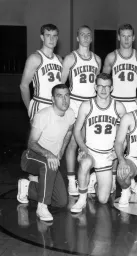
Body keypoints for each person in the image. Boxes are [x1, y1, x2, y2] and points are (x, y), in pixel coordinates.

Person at [17, 84, 75, 221]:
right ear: (52, 99)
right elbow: (31, 143)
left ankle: (27, 187)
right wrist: (49, 154)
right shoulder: (43, 115)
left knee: (61, 201)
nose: (64, 100)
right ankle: (42, 208)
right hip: (31, 157)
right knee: (48, 165)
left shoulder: (71, 113)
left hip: (52, 160)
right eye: (59, 96)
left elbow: (69, 132)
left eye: (67, 95)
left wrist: (60, 152)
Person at [70, 73, 126, 213]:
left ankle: (94, 183)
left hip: (106, 155)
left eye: (107, 87)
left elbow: (124, 135)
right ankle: (82, 199)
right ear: (95, 87)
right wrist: (83, 148)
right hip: (90, 150)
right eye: (100, 86)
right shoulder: (86, 105)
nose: (103, 90)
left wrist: (117, 153)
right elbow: (77, 131)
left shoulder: (118, 107)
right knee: (86, 163)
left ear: (111, 88)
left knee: (103, 199)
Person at [103, 23, 137, 193]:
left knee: (133, 142)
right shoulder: (111, 57)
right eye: (124, 36)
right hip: (117, 103)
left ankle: (132, 177)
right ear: (118, 37)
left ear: (134, 37)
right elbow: (105, 83)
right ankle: (114, 177)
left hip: (133, 103)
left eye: (130, 36)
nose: (127, 39)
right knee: (116, 141)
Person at [61, 25, 101, 196]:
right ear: (77, 38)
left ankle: (88, 178)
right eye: (82, 35)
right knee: (72, 142)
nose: (85, 37)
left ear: (91, 38)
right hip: (75, 102)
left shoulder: (97, 59)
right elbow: (61, 85)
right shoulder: (70, 58)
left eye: (88, 35)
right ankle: (71, 181)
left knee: (90, 142)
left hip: (91, 104)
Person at [20, 24, 63, 121]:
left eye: (54, 36)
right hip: (41, 105)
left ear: (57, 38)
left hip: (57, 106)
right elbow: (23, 86)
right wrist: (29, 108)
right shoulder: (35, 58)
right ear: (42, 37)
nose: (51, 39)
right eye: (48, 35)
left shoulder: (59, 59)